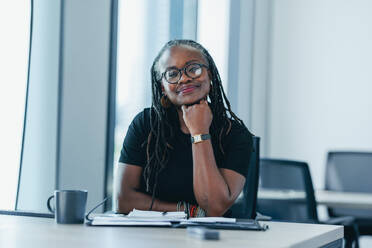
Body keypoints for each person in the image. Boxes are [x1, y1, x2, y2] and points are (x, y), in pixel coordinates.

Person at [117, 39, 253, 217]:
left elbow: (214, 207)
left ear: (210, 75)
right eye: (172, 74)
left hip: (211, 241)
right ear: (163, 88)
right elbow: (124, 201)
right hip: (150, 238)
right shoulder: (145, 125)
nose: (185, 78)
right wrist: (189, 211)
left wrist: (199, 132)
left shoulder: (235, 134)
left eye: (194, 69)